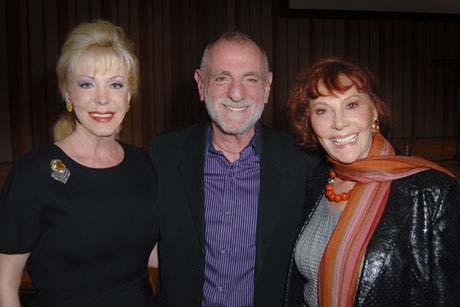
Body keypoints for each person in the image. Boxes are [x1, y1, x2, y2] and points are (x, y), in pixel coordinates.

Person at [148, 32, 320, 307]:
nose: (236, 93)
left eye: (251, 79)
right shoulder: (164, 154)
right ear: (201, 84)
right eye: (222, 78)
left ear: (267, 87)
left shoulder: (303, 162)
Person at [0, 20, 158, 307]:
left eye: (115, 84)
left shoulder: (144, 165)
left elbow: (148, 252)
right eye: (86, 84)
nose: (101, 99)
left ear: (129, 96)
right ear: (67, 94)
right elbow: (4, 285)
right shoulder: (33, 173)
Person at [285, 57, 460, 307]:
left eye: (352, 105)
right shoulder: (318, 181)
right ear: (311, 124)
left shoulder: (432, 193)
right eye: (322, 110)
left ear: (375, 111)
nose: (339, 123)